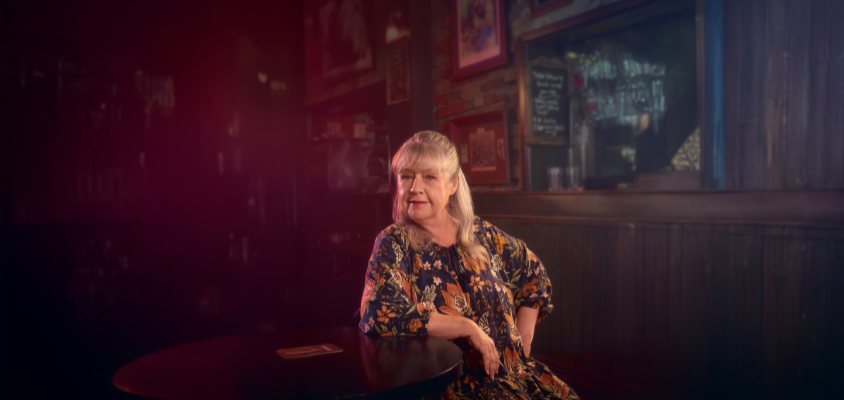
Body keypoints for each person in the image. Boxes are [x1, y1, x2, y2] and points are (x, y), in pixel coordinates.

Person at [359, 131, 579, 399]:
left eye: (429, 176)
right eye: (406, 176)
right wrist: (466, 327)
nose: (415, 187)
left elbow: (534, 274)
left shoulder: (482, 234)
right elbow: (378, 314)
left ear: (452, 184)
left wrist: (522, 345)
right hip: (449, 387)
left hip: (513, 378)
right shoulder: (393, 243)